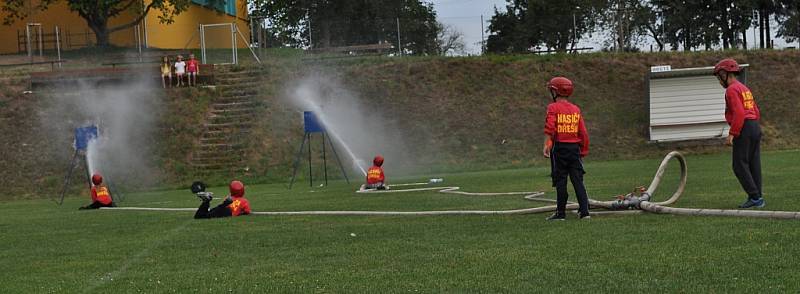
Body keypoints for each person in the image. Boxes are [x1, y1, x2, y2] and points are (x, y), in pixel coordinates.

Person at [713, 58, 764, 208]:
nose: (719, 80)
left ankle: (755, 197)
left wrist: (732, 133)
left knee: (739, 165)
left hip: (744, 127)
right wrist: (754, 127)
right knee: (754, 163)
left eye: (718, 77)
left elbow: (739, 113)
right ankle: (757, 197)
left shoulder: (731, 90)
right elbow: (756, 111)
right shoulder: (744, 88)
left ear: (724, 74)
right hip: (754, 126)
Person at [542, 77, 591, 220]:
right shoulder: (576, 109)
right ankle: (585, 212)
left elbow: (550, 128)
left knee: (560, 181)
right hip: (574, 149)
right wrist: (583, 149)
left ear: (555, 91)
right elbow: (583, 132)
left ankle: (561, 213)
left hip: (560, 149)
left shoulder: (552, 107)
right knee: (578, 181)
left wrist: (546, 145)